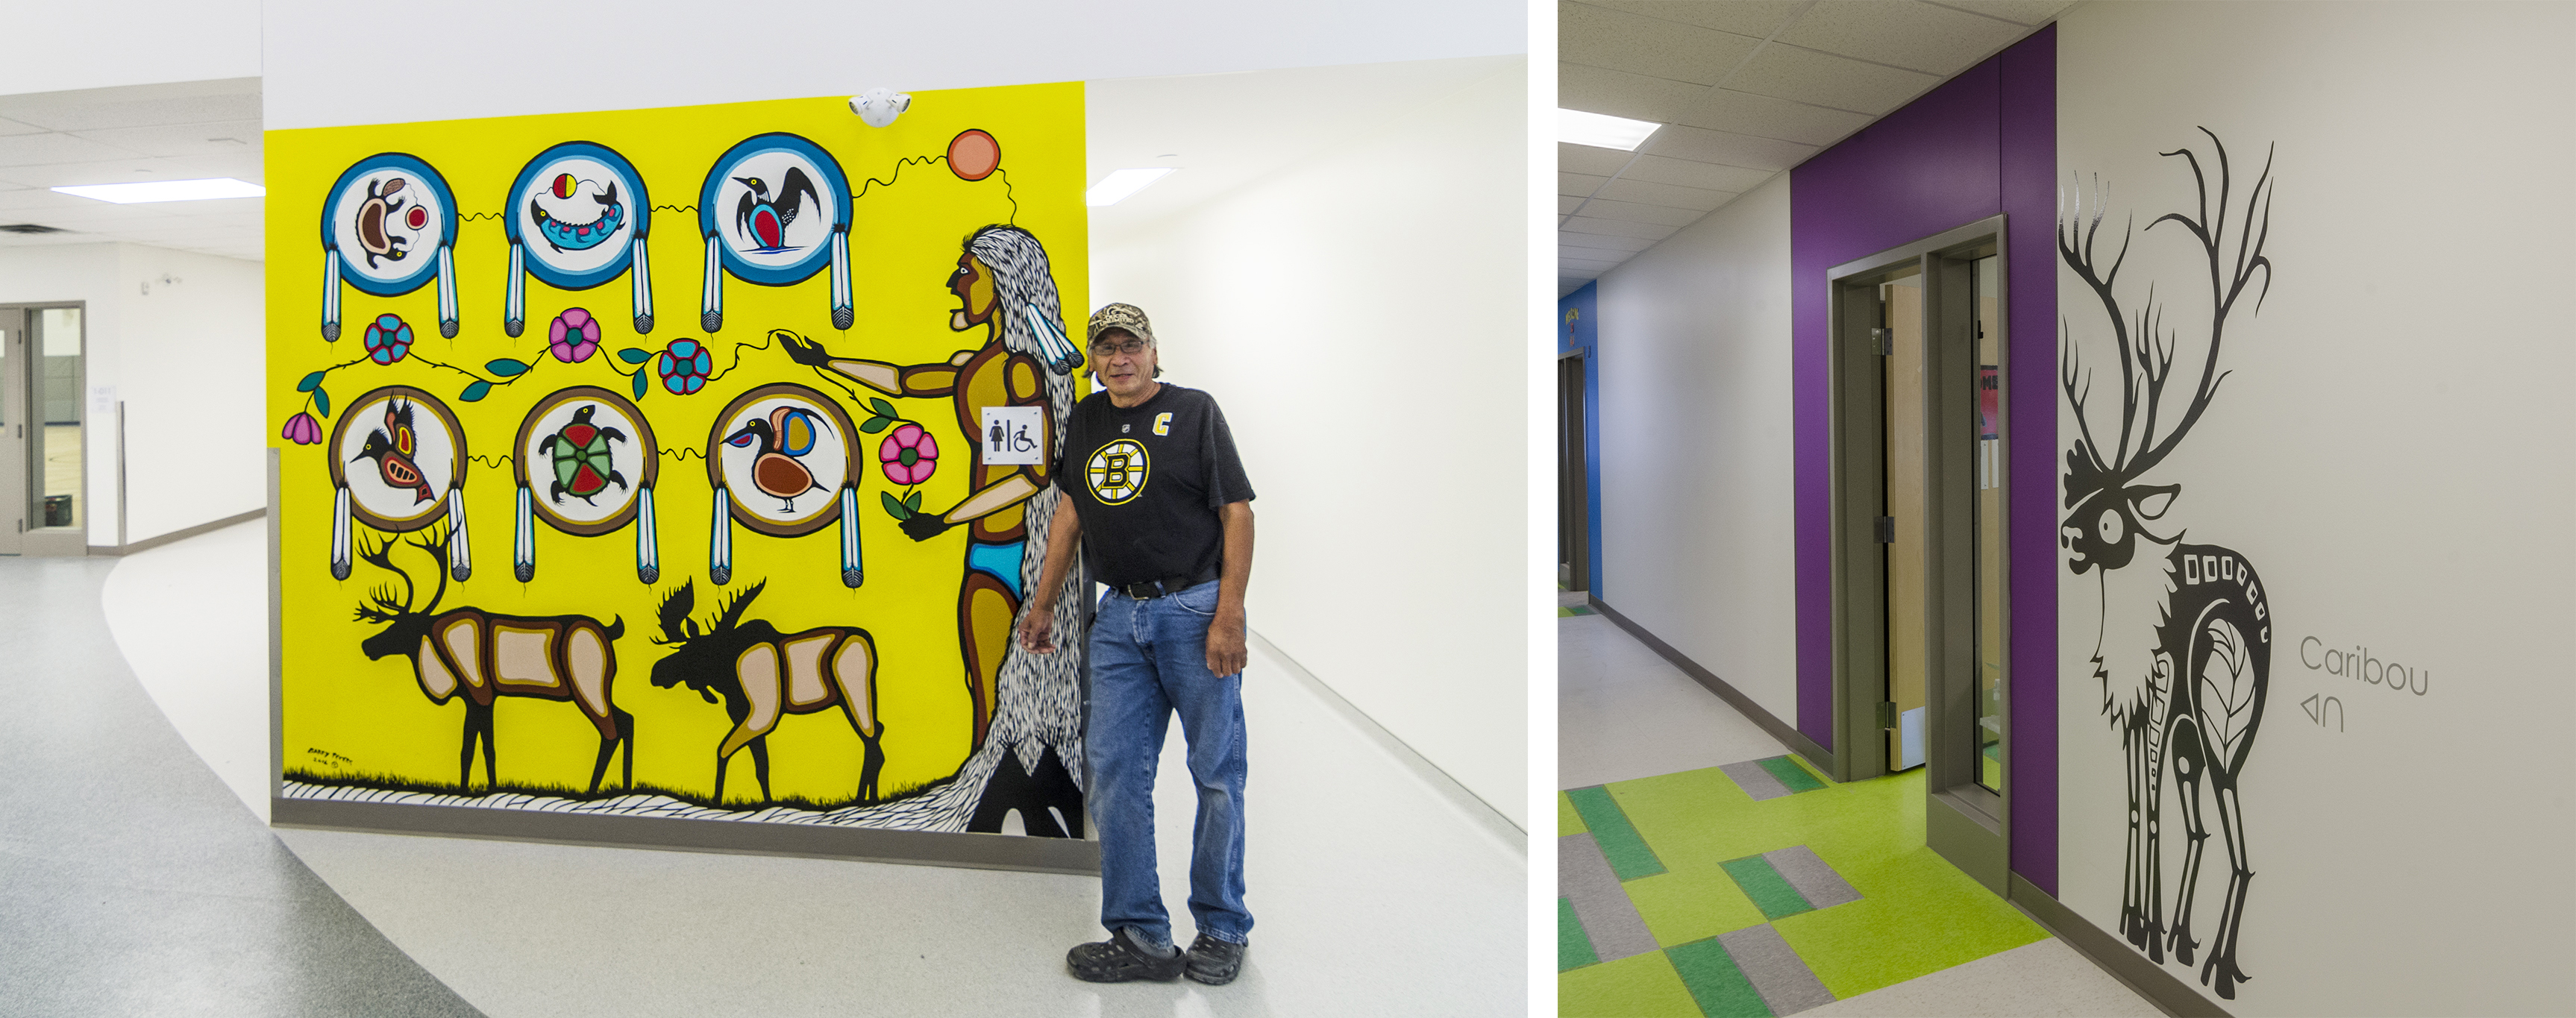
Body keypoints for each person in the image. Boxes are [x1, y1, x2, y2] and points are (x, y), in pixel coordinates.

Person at [1018, 303, 1256, 985]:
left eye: (1131, 345)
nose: (1118, 358)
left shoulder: (1194, 411)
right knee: (1117, 772)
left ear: (1153, 351)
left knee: (1216, 772)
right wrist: (1043, 603)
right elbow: (1070, 513)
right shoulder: (1087, 418)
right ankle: (1141, 934)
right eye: (1106, 348)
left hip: (1194, 609)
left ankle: (1222, 926)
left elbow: (1235, 512)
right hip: (1119, 617)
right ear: (1093, 359)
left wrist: (1229, 614)